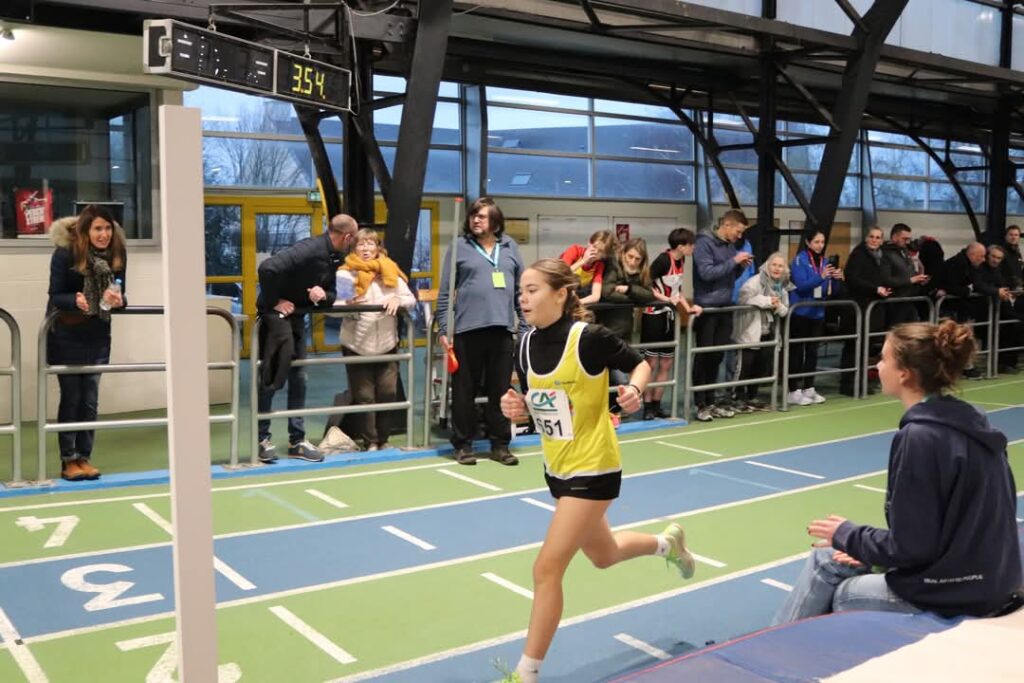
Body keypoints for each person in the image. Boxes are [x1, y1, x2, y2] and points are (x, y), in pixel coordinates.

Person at [498, 258, 695, 683]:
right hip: (557, 468)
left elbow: (641, 363)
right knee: (604, 555)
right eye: (521, 291)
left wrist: (635, 390)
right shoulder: (524, 344)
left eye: (532, 290)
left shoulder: (588, 338)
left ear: (561, 294)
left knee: (546, 569)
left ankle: (525, 673)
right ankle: (667, 544)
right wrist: (514, 407)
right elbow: (531, 402)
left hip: (594, 467)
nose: (523, 298)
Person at [773, 319, 1022, 624]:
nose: (877, 366)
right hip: (991, 576)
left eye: (883, 359)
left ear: (904, 373)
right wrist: (862, 547)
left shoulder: (919, 437)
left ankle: (775, 649)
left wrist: (848, 534)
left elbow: (912, 548)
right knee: (826, 557)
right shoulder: (973, 422)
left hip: (956, 590)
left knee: (842, 592)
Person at [256, 213, 358, 464]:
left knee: (299, 377)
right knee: (271, 377)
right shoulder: (309, 249)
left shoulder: (336, 256)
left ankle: (297, 441)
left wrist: (323, 294)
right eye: (354, 239)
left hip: (296, 318)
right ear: (347, 237)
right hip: (275, 316)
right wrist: (275, 301)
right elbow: (267, 268)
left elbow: (333, 294)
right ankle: (262, 439)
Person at [436, 197, 525, 467]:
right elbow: (445, 293)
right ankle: (463, 445)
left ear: (495, 222)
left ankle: (500, 445)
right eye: (473, 215)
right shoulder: (459, 246)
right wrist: (444, 328)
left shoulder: (509, 247)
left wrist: (525, 326)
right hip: (467, 330)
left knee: (501, 391)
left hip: (502, 330)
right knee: (464, 392)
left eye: (482, 216)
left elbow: (520, 291)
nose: (475, 219)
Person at [46, 205, 127, 481]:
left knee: (90, 399)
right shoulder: (65, 252)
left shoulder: (117, 252)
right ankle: (68, 459)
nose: (104, 234)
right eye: (97, 229)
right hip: (66, 334)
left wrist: (119, 299)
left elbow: (121, 291)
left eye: (108, 228)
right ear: (85, 230)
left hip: (97, 333)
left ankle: (84, 457)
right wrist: (74, 299)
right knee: (72, 397)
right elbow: (55, 294)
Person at [337, 229, 416, 451]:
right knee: (364, 397)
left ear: (378, 247)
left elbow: (411, 299)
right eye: (361, 244)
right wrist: (347, 304)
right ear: (354, 248)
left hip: (387, 344)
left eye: (370, 244)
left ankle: (384, 439)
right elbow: (335, 308)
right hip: (356, 345)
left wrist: (397, 299)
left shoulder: (390, 270)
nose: (366, 249)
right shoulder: (346, 274)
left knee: (388, 394)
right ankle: (370, 441)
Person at [692, 210, 754, 422]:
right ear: (727, 225)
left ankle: (712, 401)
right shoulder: (703, 243)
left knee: (717, 357)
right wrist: (734, 261)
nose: (739, 236)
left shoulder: (730, 246)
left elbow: (727, 276)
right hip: (707, 308)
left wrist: (739, 267)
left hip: (725, 307)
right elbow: (706, 274)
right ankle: (700, 403)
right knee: (704, 356)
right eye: (738, 231)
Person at [641, 228, 702, 420]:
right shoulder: (663, 260)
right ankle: (647, 406)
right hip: (653, 315)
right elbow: (645, 284)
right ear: (681, 246)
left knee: (666, 363)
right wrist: (665, 299)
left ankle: (657, 404)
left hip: (670, 316)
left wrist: (687, 308)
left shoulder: (682, 261)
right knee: (651, 363)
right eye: (691, 245)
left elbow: (677, 290)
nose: (693, 248)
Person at [787, 230, 842, 406]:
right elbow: (802, 286)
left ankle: (809, 387)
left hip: (817, 313)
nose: (820, 245)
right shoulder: (799, 260)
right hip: (800, 312)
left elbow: (831, 291)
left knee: (812, 351)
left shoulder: (824, 262)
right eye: (817, 242)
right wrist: (821, 276)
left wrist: (837, 279)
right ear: (808, 242)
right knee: (797, 352)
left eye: (822, 242)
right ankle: (792, 390)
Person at [733, 252, 791, 411]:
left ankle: (752, 396)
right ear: (767, 265)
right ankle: (736, 397)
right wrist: (767, 301)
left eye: (780, 266)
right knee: (744, 366)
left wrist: (778, 306)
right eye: (774, 265)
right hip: (749, 330)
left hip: (769, 332)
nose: (777, 268)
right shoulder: (754, 282)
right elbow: (743, 300)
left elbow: (785, 310)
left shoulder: (782, 287)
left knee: (760, 366)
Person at [841, 226, 891, 395]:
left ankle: (861, 381)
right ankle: (848, 384)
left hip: (873, 309)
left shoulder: (882, 257)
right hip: (857, 308)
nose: (874, 240)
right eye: (872, 236)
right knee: (853, 347)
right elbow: (852, 278)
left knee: (865, 347)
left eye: (878, 237)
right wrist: (875, 289)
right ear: (866, 238)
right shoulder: (858, 255)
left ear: (882, 240)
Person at [880, 223, 929, 324]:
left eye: (909, 239)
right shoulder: (885, 254)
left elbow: (909, 272)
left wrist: (919, 279)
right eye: (904, 238)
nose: (908, 242)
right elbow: (886, 280)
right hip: (895, 302)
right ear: (894, 237)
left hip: (910, 299)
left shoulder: (905, 251)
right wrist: (910, 280)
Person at [559, 230, 616, 305]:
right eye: (594, 247)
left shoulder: (599, 265)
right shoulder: (575, 250)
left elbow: (595, 296)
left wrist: (576, 303)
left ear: (604, 255)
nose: (595, 252)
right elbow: (560, 274)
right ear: (589, 243)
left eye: (600, 251)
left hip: (575, 299)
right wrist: (583, 261)